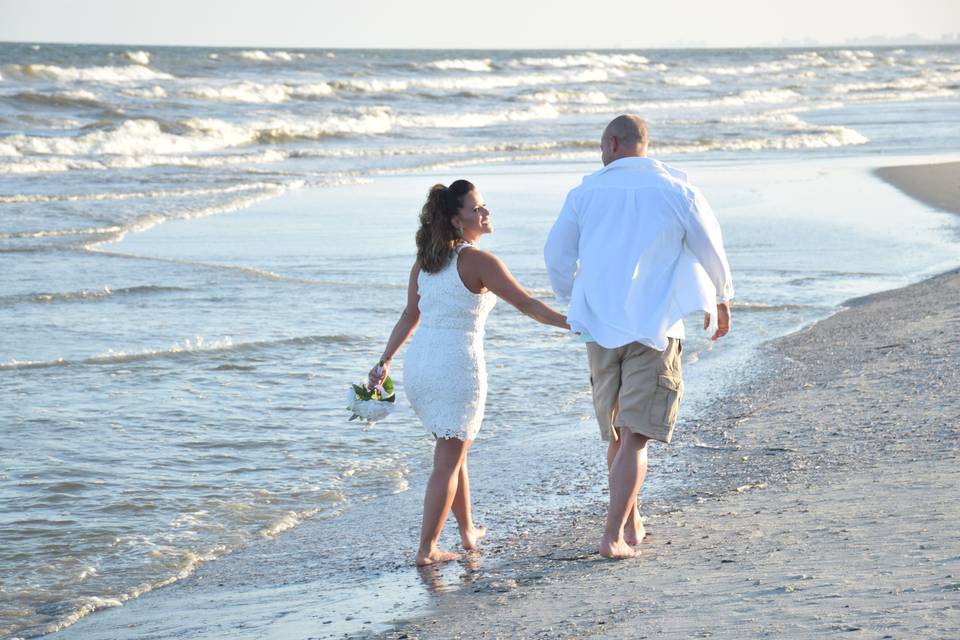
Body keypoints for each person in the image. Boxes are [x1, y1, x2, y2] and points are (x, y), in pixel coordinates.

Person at [544, 115, 734, 560]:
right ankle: (614, 536)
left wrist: (576, 297)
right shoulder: (678, 191)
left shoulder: (584, 192)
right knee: (635, 436)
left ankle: (632, 520)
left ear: (612, 143)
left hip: (598, 326)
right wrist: (722, 298)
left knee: (617, 431)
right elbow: (712, 246)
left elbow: (557, 255)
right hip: (656, 326)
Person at [370, 179, 569, 566]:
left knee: (453, 451)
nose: (485, 213)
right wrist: (575, 324)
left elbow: (411, 315)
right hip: (455, 368)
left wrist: (385, 361)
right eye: (476, 208)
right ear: (457, 220)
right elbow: (527, 304)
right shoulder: (479, 262)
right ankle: (426, 549)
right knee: (448, 458)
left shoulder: (426, 262)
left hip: (421, 368)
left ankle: (466, 531)